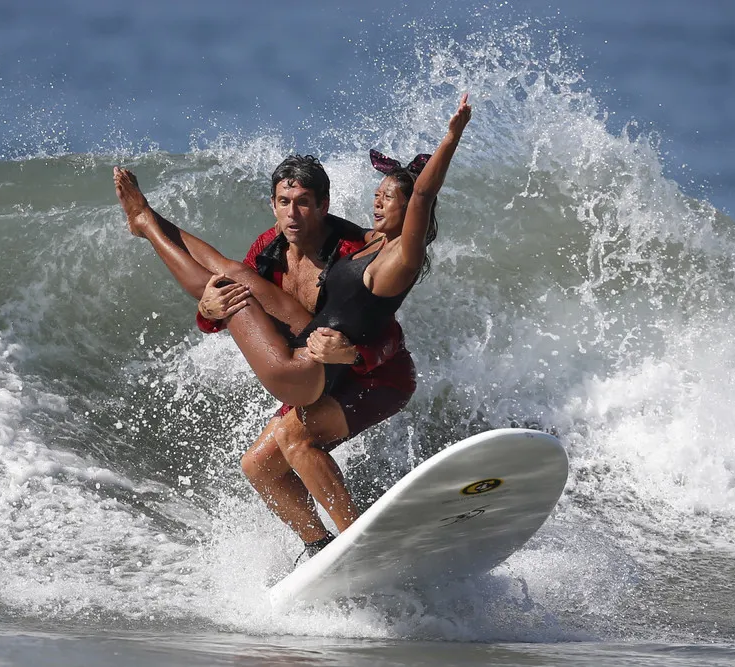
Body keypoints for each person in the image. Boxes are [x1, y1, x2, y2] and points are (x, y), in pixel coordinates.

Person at [113, 93, 472, 557]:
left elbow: (381, 321)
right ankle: (319, 547)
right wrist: (208, 309)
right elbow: (227, 298)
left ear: (323, 206)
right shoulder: (274, 248)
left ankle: (355, 540)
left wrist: (354, 352)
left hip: (368, 375)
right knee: (259, 466)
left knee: (293, 435)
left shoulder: (367, 249)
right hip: (310, 366)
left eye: (303, 203)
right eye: (284, 202)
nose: (292, 214)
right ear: (273, 204)